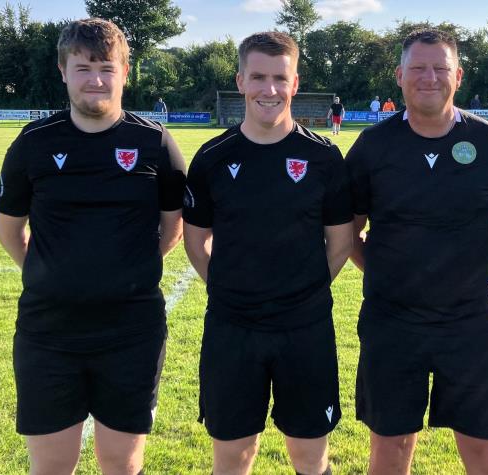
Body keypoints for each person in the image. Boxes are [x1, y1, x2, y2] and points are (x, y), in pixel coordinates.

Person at [0, 18, 186, 475]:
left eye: (105, 67)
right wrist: (50, 272)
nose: (95, 79)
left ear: (124, 71)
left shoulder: (153, 142)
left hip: (131, 331)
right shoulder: (33, 143)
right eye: (82, 68)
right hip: (48, 332)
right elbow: (8, 230)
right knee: (51, 467)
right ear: (63, 71)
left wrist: (129, 271)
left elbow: (173, 226)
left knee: (122, 464)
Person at [346, 29, 488, 475]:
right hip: (391, 323)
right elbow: (348, 230)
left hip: (468, 324)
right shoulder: (373, 146)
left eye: (440, 68)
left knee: (485, 448)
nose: (429, 77)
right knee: (390, 448)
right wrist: (383, 272)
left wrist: (475, 274)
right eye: (418, 68)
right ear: (400, 75)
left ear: (458, 75)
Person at [183, 31, 353, 475]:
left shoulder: (324, 159)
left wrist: (302, 290)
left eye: (280, 77)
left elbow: (340, 243)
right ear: (240, 81)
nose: (269, 89)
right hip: (232, 328)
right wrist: (229, 288)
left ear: (295, 83)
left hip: (305, 329)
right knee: (233, 455)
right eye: (258, 76)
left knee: (309, 456)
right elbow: (195, 241)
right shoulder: (212, 159)